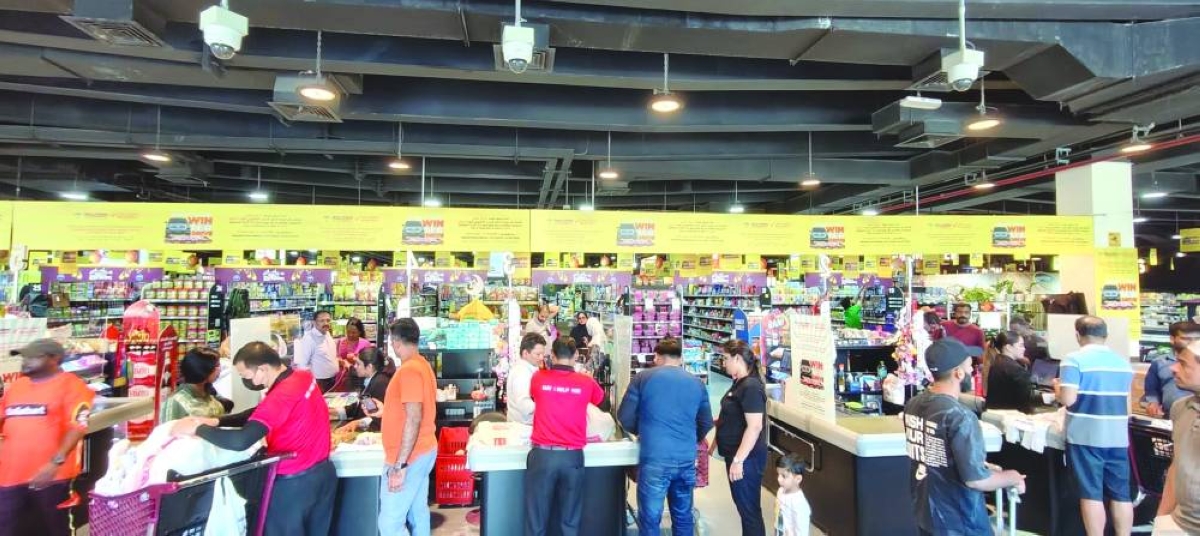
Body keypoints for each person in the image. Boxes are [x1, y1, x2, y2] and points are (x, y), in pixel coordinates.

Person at [171, 341, 336, 536]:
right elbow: (261, 412)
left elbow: (241, 441)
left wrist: (198, 428)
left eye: (245, 375)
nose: (244, 380)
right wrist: (216, 421)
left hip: (293, 486)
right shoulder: (303, 377)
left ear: (262, 369)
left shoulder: (281, 395)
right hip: (323, 474)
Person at [904, 338, 1026, 536]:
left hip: (926, 512)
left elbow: (936, 453)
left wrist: (979, 463)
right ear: (958, 373)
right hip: (959, 519)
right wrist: (1012, 477)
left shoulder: (913, 404)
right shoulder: (960, 417)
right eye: (970, 365)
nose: (972, 369)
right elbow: (976, 480)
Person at [618, 338, 714, 536]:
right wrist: (688, 438)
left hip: (654, 457)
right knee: (683, 515)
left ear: (657, 357)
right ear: (680, 358)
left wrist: (643, 431)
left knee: (651, 517)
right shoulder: (697, 383)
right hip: (685, 459)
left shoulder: (642, 378)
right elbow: (706, 422)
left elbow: (624, 416)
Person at [0, 339, 95, 536]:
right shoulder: (18, 386)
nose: (25, 361)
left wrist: (54, 463)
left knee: (57, 528)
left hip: (54, 477)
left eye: (32, 357)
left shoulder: (73, 386)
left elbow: (78, 426)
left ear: (54, 359)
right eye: (24, 357)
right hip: (10, 474)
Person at [1055, 316, 1134, 536]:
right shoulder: (1123, 364)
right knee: (1121, 494)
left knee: (1091, 493)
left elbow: (1068, 399)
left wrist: (1057, 390)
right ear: (1105, 336)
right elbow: (1127, 408)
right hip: (1118, 438)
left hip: (1085, 436)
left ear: (1077, 335)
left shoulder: (1073, 360)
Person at [525, 337, 604, 536]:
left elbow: (536, 397)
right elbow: (603, 404)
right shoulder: (586, 382)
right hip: (572, 457)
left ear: (552, 356)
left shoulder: (538, 378)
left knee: (536, 520)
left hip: (542, 455)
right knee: (570, 520)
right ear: (576, 355)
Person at [379, 318, 438, 536]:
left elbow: (414, 417)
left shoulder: (409, 371)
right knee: (417, 513)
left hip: (410, 456)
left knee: (389, 524)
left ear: (395, 342)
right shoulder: (421, 364)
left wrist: (400, 465)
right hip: (423, 450)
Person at [716, 339, 768, 536]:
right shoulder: (739, 384)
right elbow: (737, 414)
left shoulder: (751, 387)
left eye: (726, 358)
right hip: (736, 456)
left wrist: (738, 461)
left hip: (747, 459)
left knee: (749, 510)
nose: (723, 363)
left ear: (737, 358)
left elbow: (754, 427)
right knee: (743, 507)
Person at [1155, 341, 1200, 535]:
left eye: (1183, 364)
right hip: (1177, 524)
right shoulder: (1180, 408)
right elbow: (1177, 465)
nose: (1173, 368)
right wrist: (1161, 520)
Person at [1143, 321, 1200, 419]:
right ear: (1172, 339)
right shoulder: (1159, 362)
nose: (1192, 343)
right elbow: (1151, 390)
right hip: (1169, 416)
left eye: (1196, 339)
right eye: (1186, 339)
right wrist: (1153, 403)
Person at [332, 347, 393, 433]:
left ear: (369, 367)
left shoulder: (380, 383)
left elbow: (376, 420)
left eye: (358, 363)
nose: (355, 366)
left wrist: (355, 424)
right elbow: (360, 407)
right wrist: (334, 412)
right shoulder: (369, 379)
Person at [162, 347, 228, 422]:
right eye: (217, 365)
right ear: (203, 371)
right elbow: (167, 430)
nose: (220, 369)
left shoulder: (209, 392)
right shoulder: (176, 402)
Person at [984, 330, 1036, 413]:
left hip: (995, 413)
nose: (1024, 349)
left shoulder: (996, 363)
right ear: (1008, 347)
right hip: (1012, 416)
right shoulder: (1017, 371)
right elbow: (1025, 404)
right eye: (1021, 345)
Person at [295, 310, 339, 392]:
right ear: (314, 323)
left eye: (328, 320)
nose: (326, 323)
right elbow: (302, 364)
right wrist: (310, 383)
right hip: (319, 383)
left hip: (333, 379)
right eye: (322, 321)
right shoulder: (309, 339)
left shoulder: (327, 334)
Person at [507, 333, 547, 425]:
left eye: (542, 354)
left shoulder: (529, 368)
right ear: (525, 353)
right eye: (538, 354)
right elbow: (524, 405)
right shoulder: (522, 373)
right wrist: (547, 406)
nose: (541, 357)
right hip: (523, 427)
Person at [774, 453, 811, 536]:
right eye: (778, 474)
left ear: (798, 479)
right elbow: (778, 518)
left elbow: (802, 532)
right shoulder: (780, 491)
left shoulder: (799, 504)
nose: (779, 479)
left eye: (784, 476)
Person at [338, 317, 373, 391]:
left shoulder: (365, 343)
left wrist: (356, 360)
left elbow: (369, 362)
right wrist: (340, 361)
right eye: (348, 332)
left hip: (358, 378)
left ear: (360, 332)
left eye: (354, 332)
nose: (350, 335)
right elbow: (337, 357)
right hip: (343, 378)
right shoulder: (341, 342)